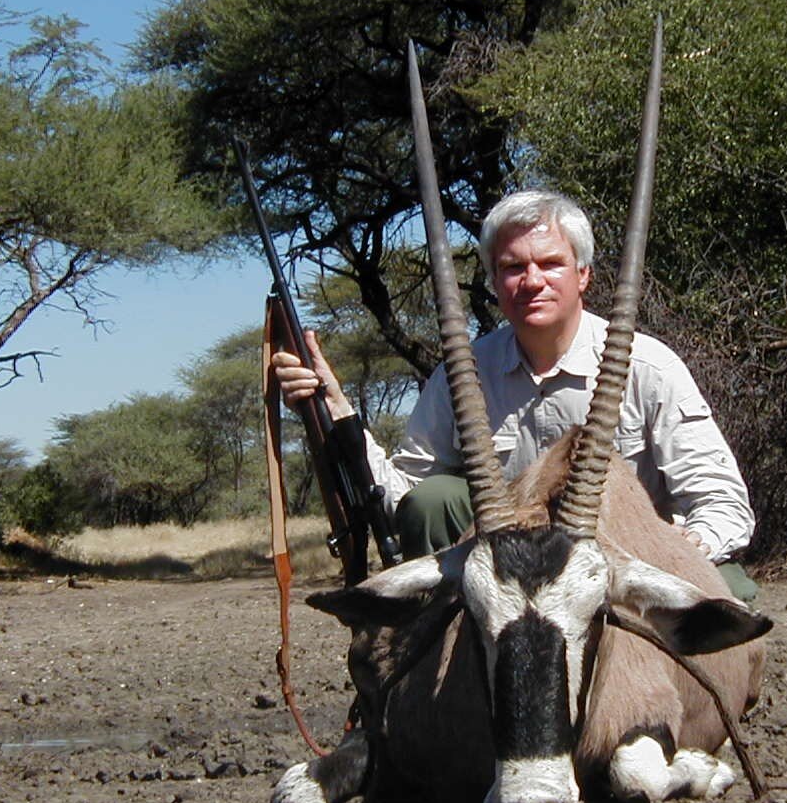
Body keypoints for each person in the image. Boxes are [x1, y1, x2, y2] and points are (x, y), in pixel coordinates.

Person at [272, 189, 759, 601]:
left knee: (730, 603)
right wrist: (336, 411)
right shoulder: (463, 373)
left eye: (551, 264)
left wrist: (675, 547)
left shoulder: (649, 366)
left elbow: (724, 505)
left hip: (616, 577)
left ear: (583, 274)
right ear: (493, 279)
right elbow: (406, 497)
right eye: (513, 267)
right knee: (437, 497)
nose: (532, 281)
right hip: (505, 591)